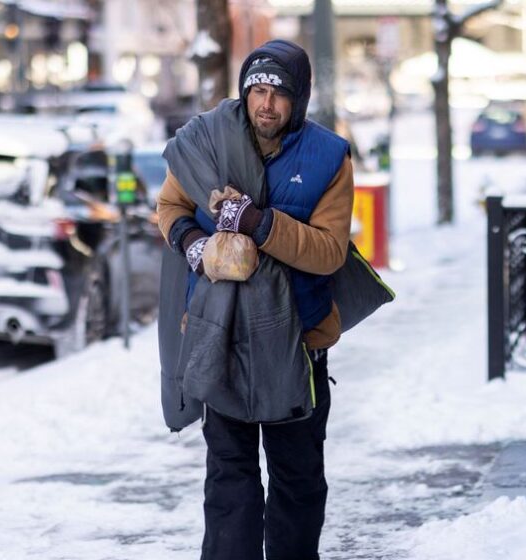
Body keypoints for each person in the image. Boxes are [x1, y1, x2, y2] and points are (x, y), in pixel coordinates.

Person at [155, 39, 354, 560]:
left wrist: (261, 225)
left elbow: (330, 252)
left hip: (297, 343)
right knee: (229, 479)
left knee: (297, 480)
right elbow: (170, 206)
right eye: (257, 91)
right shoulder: (206, 141)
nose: (266, 103)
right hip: (218, 335)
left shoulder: (328, 157)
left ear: (300, 99)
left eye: (279, 94)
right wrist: (192, 243)